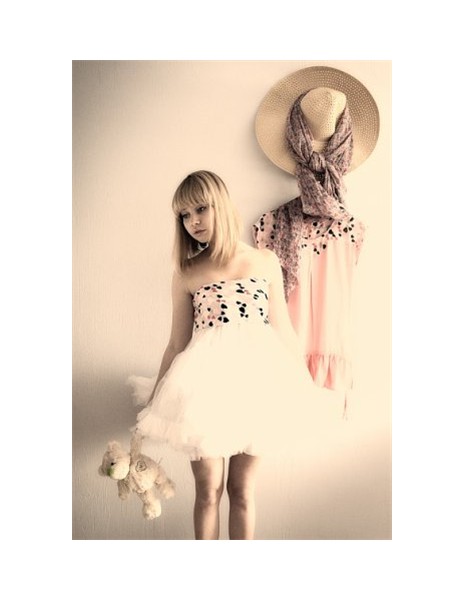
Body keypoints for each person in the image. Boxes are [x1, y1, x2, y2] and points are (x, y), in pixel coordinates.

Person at [131, 169, 335, 540]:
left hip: (257, 384)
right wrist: (156, 395)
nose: (193, 222)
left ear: (221, 205)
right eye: (184, 215)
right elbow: (176, 343)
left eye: (200, 209)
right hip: (205, 388)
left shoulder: (264, 261)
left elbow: (283, 330)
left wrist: (304, 383)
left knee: (241, 490)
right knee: (208, 490)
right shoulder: (186, 273)